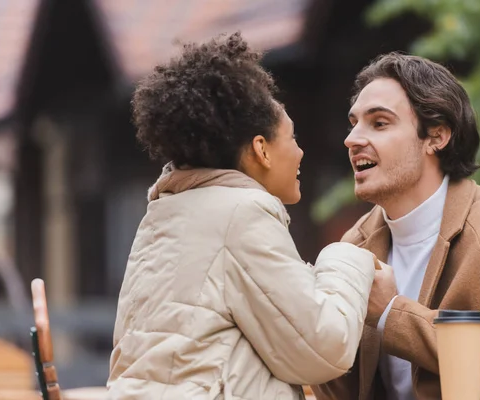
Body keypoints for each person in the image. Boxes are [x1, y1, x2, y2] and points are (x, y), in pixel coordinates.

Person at [106, 32, 380, 399]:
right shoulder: (241, 213)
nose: (300, 153)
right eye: (293, 138)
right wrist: (344, 257)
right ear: (261, 150)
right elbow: (323, 348)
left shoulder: (164, 213)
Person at [312, 53, 480, 400]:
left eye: (379, 123)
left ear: (437, 136)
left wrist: (391, 312)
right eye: (353, 123)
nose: (352, 139)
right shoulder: (355, 245)